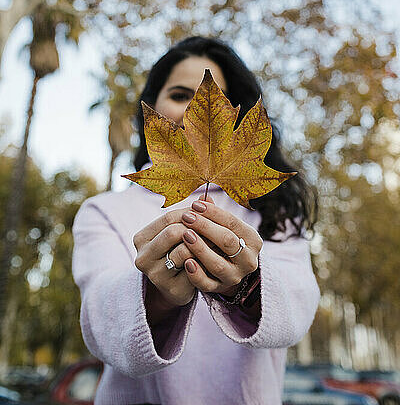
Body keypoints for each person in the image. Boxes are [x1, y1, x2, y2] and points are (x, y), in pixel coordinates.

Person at [72, 36, 321, 405]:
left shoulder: (273, 209)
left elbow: (298, 305)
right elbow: (100, 319)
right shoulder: (103, 211)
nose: (195, 110)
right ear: (150, 110)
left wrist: (247, 285)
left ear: (238, 119)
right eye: (178, 95)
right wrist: (155, 295)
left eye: (216, 100)